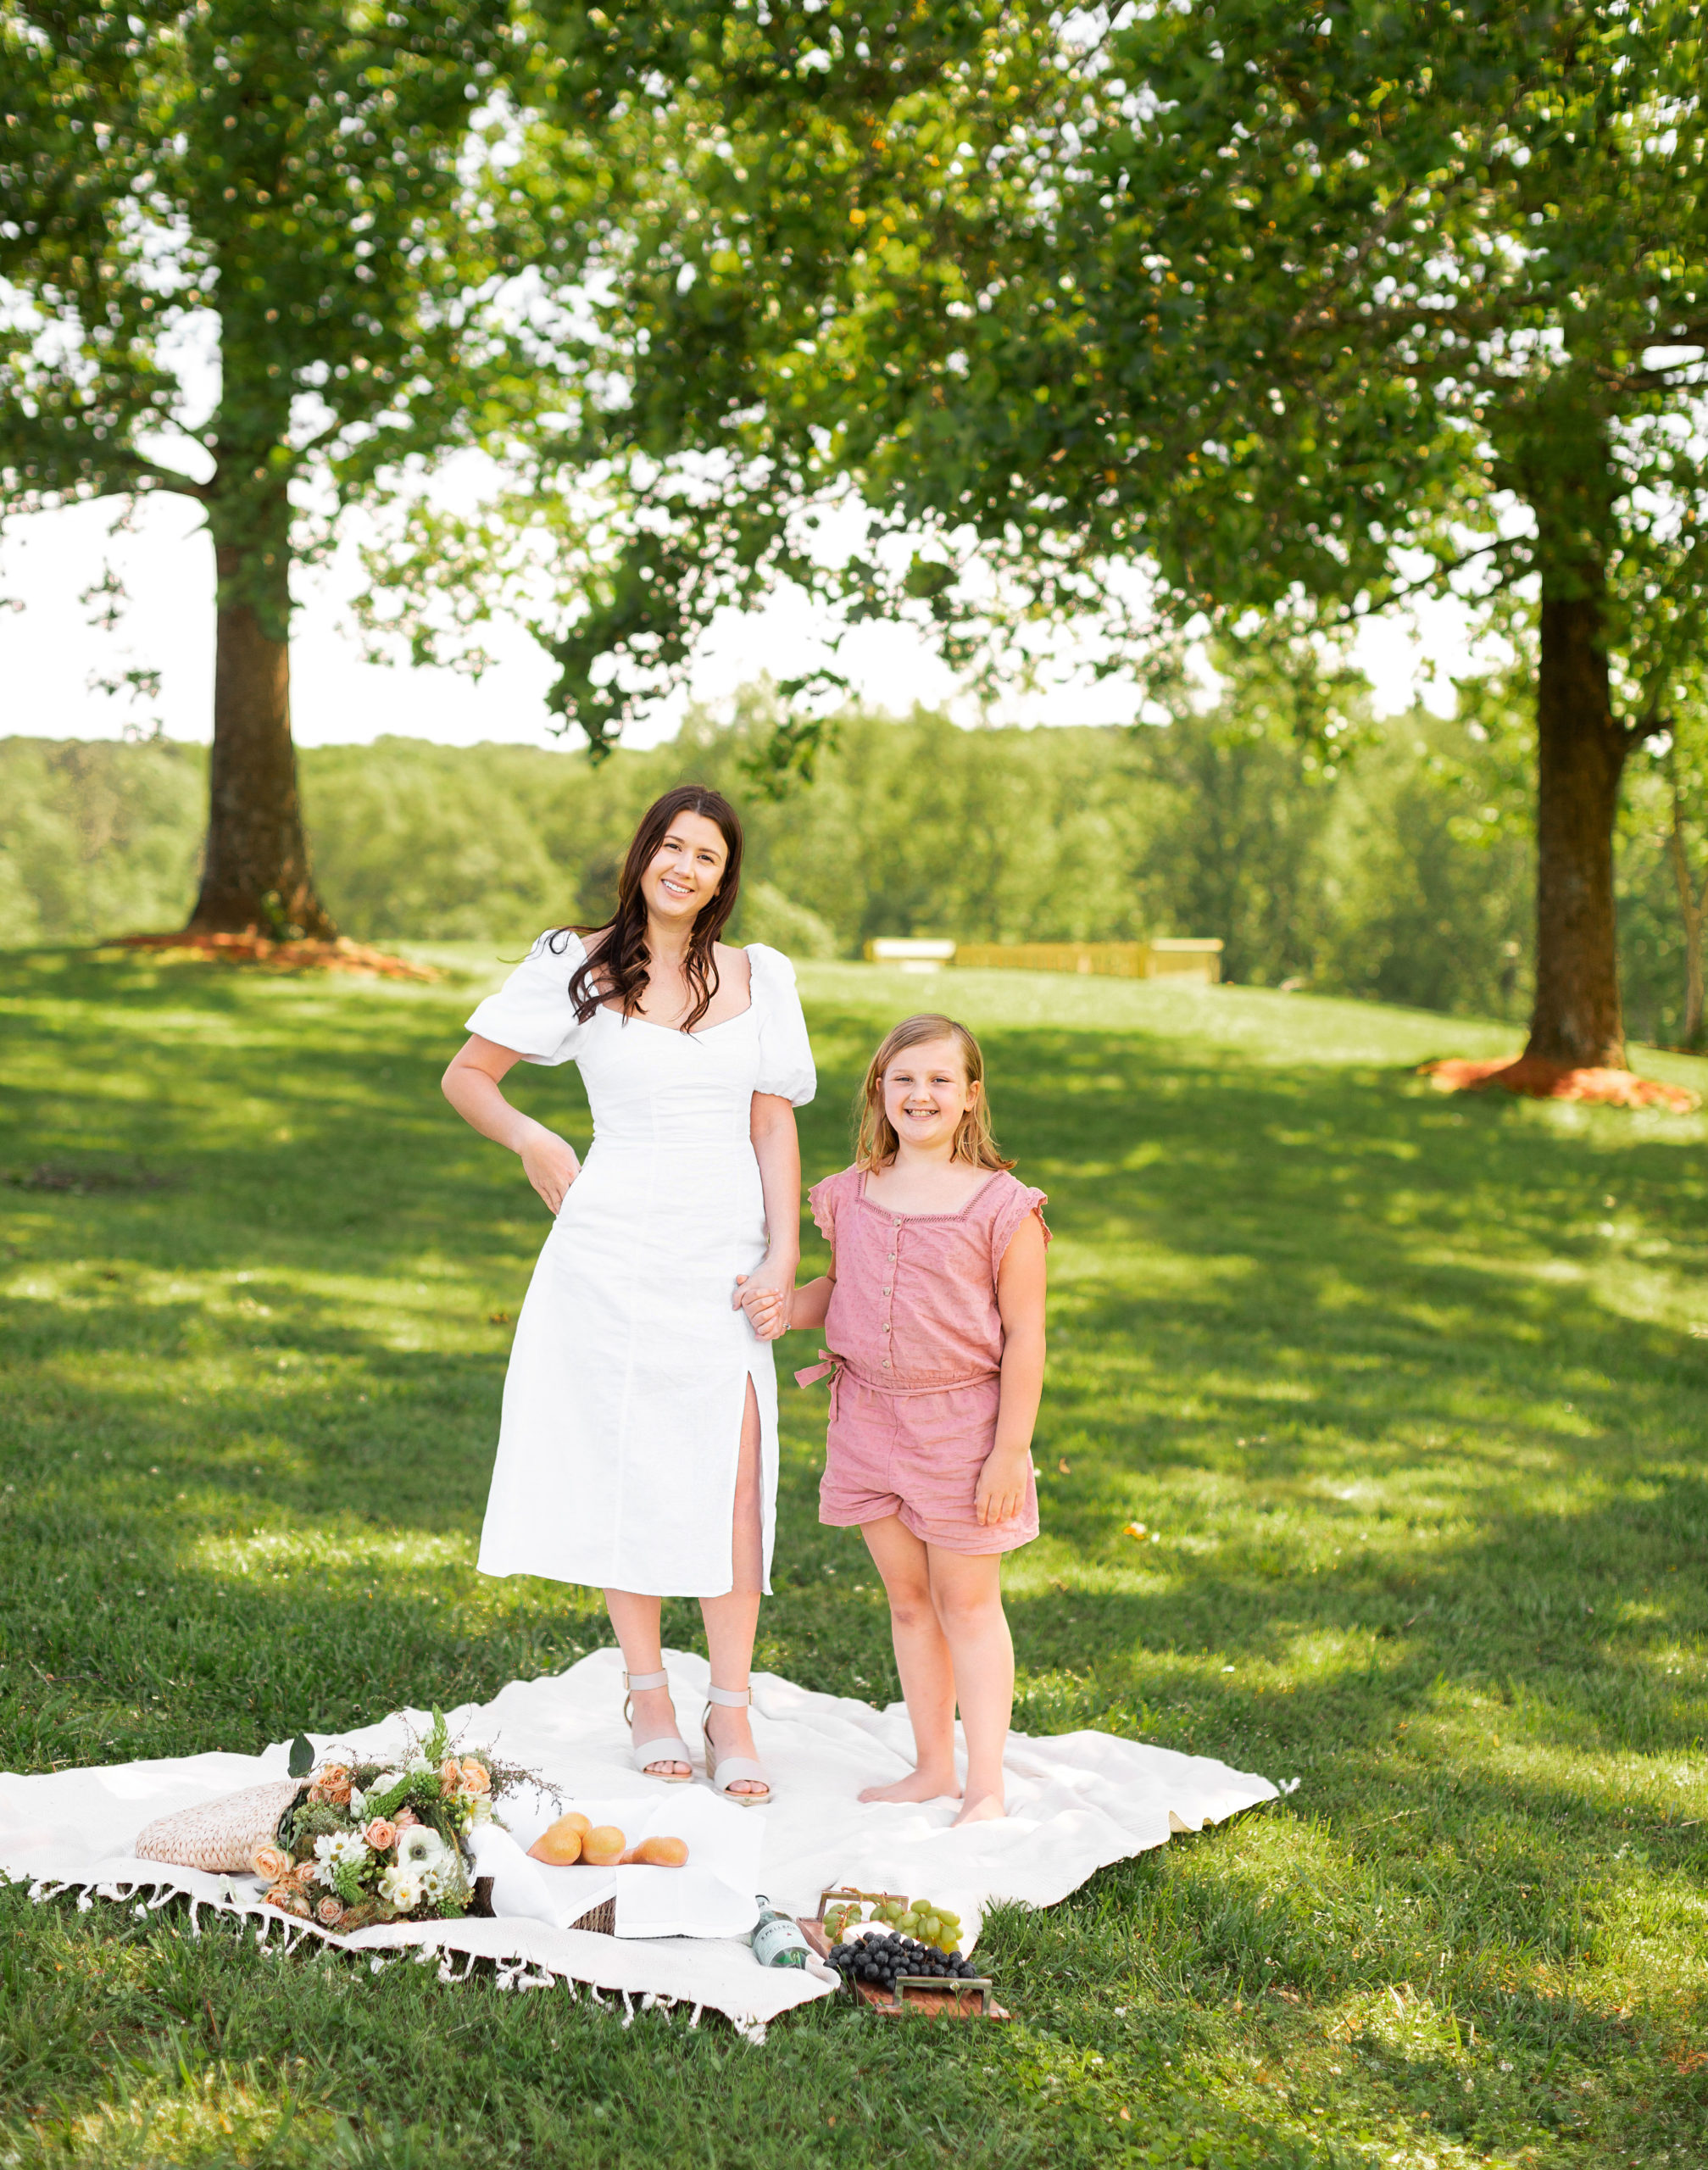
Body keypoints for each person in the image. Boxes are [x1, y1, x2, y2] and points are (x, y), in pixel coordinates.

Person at [442, 786, 814, 1805]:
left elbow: (772, 1126)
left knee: (733, 1481)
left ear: (722, 876)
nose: (683, 866)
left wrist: (783, 1256)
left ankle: (728, 1705)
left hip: (722, 1255)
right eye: (670, 845)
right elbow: (467, 1074)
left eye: (706, 854)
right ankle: (647, 1692)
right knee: (627, 1472)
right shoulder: (577, 962)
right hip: (606, 1250)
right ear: (643, 852)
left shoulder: (761, 976)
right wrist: (532, 1135)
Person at [746, 1013, 1047, 1825]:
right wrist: (781, 1307)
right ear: (879, 1090)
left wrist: (1008, 1451)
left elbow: (1025, 1339)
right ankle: (929, 1766)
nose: (921, 1094)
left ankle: (984, 1782)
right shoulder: (850, 1193)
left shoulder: (1003, 1208)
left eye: (940, 1079)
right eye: (903, 1078)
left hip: (961, 1430)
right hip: (866, 1422)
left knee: (967, 1604)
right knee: (909, 1602)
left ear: (971, 1096)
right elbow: (840, 1292)